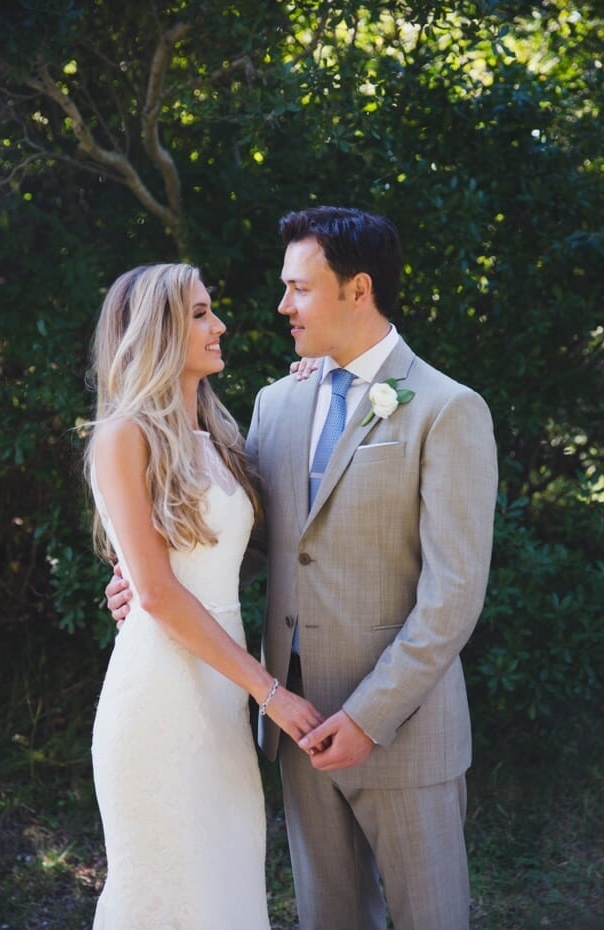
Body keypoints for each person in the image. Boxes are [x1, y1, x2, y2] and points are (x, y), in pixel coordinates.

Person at [109, 208, 497, 930]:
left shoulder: (448, 409)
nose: (282, 305)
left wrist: (370, 716)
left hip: (406, 729)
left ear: (358, 289)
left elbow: (453, 597)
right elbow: (251, 539)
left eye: (300, 288)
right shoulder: (276, 403)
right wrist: (149, 576)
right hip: (296, 725)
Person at [86, 262, 325, 928]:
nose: (218, 325)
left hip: (222, 699)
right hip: (159, 698)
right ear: (156, 332)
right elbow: (159, 595)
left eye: (210, 309)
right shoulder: (122, 436)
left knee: (228, 890)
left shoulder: (220, 439)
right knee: (169, 894)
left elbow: (231, 556)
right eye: (198, 314)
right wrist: (272, 694)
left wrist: (311, 390)